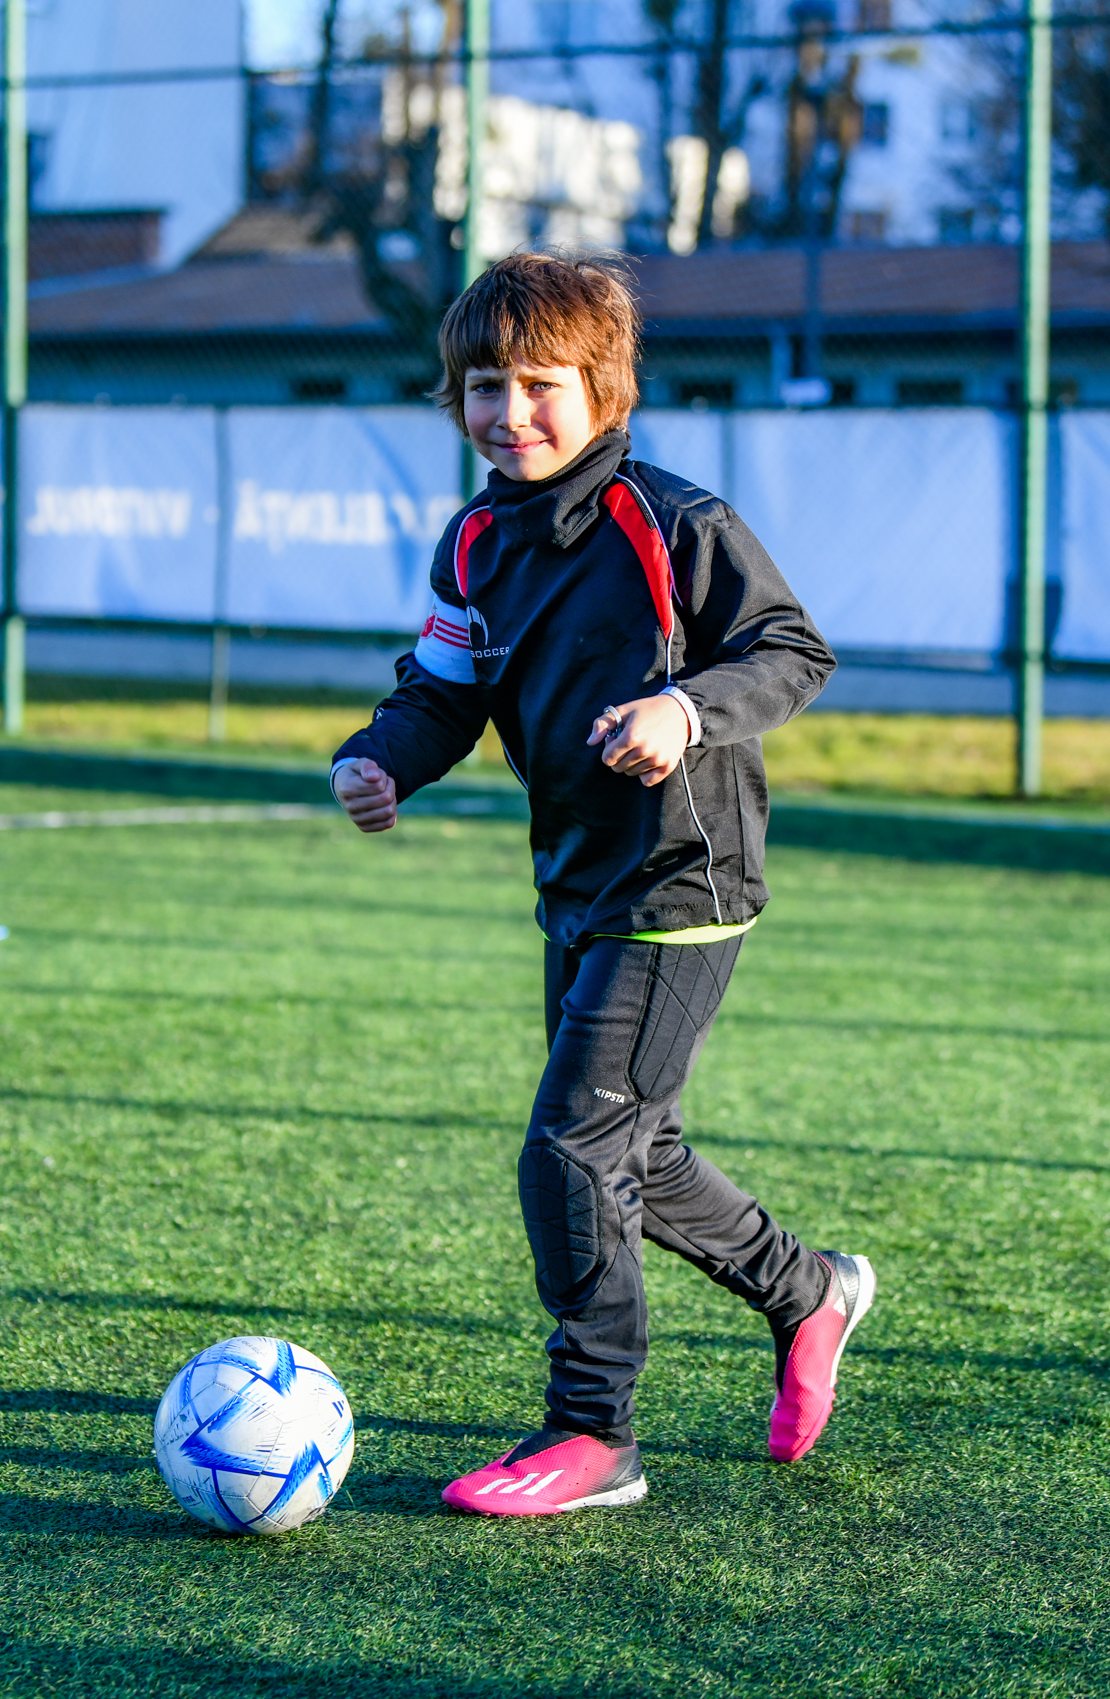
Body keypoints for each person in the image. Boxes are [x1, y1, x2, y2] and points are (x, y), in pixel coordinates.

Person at [330, 252, 875, 1517]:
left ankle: (593, 1434)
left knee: (570, 1146)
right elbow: (443, 691)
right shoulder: (474, 539)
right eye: (482, 386)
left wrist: (687, 710)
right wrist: (381, 760)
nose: (508, 412)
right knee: (637, 1143)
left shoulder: (673, 519)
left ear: (605, 391)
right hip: (573, 879)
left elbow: (793, 648)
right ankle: (810, 1291)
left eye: (538, 384)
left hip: (685, 879)